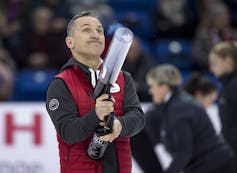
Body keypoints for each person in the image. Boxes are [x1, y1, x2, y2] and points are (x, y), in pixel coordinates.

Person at [45, 11, 145, 173]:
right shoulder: (61, 84)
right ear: (70, 42)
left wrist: (120, 125)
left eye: (99, 30)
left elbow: (138, 118)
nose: (95, 34)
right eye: (86, 30)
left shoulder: (123, 78)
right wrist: (96, 115)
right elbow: (68, 132)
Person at [146, 64, 236, 173]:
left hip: (215, 167)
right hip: (210, 165)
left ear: (164, 87)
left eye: (152, 86)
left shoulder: (179, 109)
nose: (150, 91)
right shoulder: (175, 104)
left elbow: (183, 153)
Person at [209, 41, 237, 170]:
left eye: (214, 63)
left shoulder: (233, 86)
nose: (211, 68)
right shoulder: (228, 87)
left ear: (227, 60)